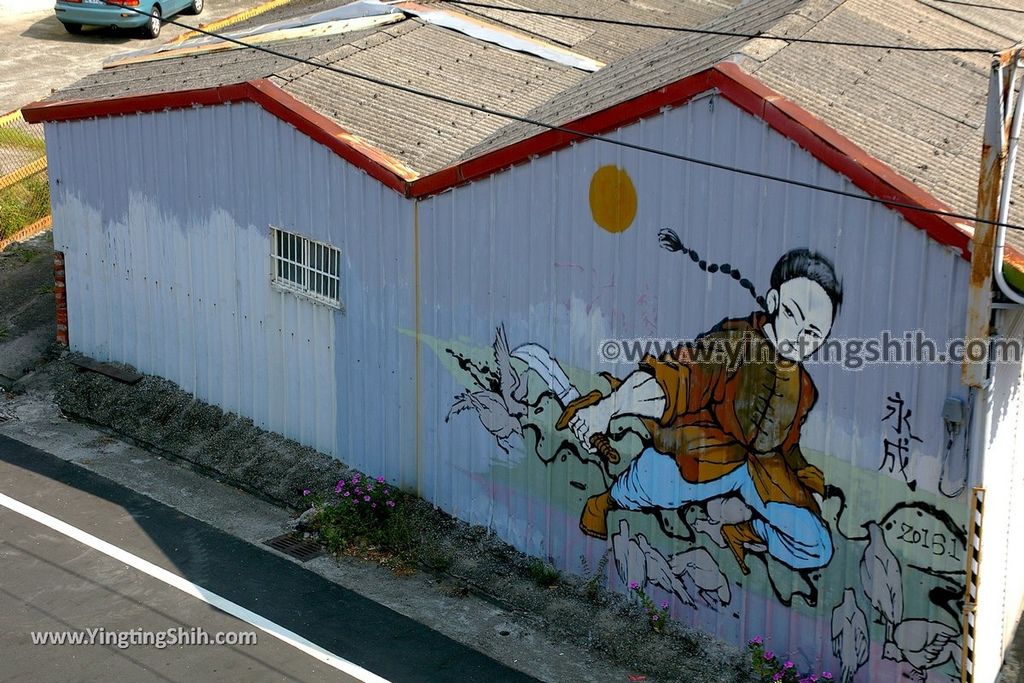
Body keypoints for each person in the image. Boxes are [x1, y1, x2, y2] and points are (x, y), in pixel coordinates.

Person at [565, 248, 842, 573]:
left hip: (761, 472)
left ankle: (742, 529)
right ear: (774, 302)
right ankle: (604, 502)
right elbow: (680, 376)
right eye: (794, 316)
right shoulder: (734, 342)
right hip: (703, 452)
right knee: (647, 486)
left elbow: (788, 445)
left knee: (816, 545)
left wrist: (808, 486)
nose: (799, 337)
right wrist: (608, 409)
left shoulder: (803, 388)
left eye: (813, 333)